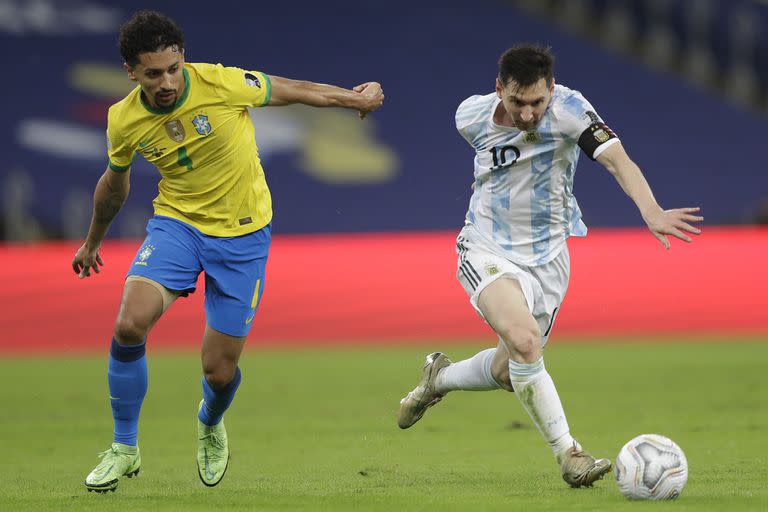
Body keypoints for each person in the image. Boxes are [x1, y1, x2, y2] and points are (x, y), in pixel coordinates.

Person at [72, 10, 383, 493]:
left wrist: (354, 98)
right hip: (177, 225)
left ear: (183, 60)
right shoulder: (123, 119)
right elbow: (114, 186)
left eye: (174, 68)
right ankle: (124, 448)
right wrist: (92, 241)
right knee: (129, 323)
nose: (168, 81)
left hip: (242, 236)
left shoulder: (220, 82)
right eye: (153, 74)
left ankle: (210, 422)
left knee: (219, 372)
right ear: (132, 73)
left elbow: (294, 89)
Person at [396, 44, 702, 488]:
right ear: (499, 89)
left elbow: (618, 161)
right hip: (486, 247)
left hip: (550, 258)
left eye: (537, 102)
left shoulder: (572, 111)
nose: (527, 114)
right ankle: (570, 455)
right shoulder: (470, 116)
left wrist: (650, 210)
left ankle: (437, 379)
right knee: (525, 342)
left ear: (551, 89)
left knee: (507, 370)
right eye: (517, 101)